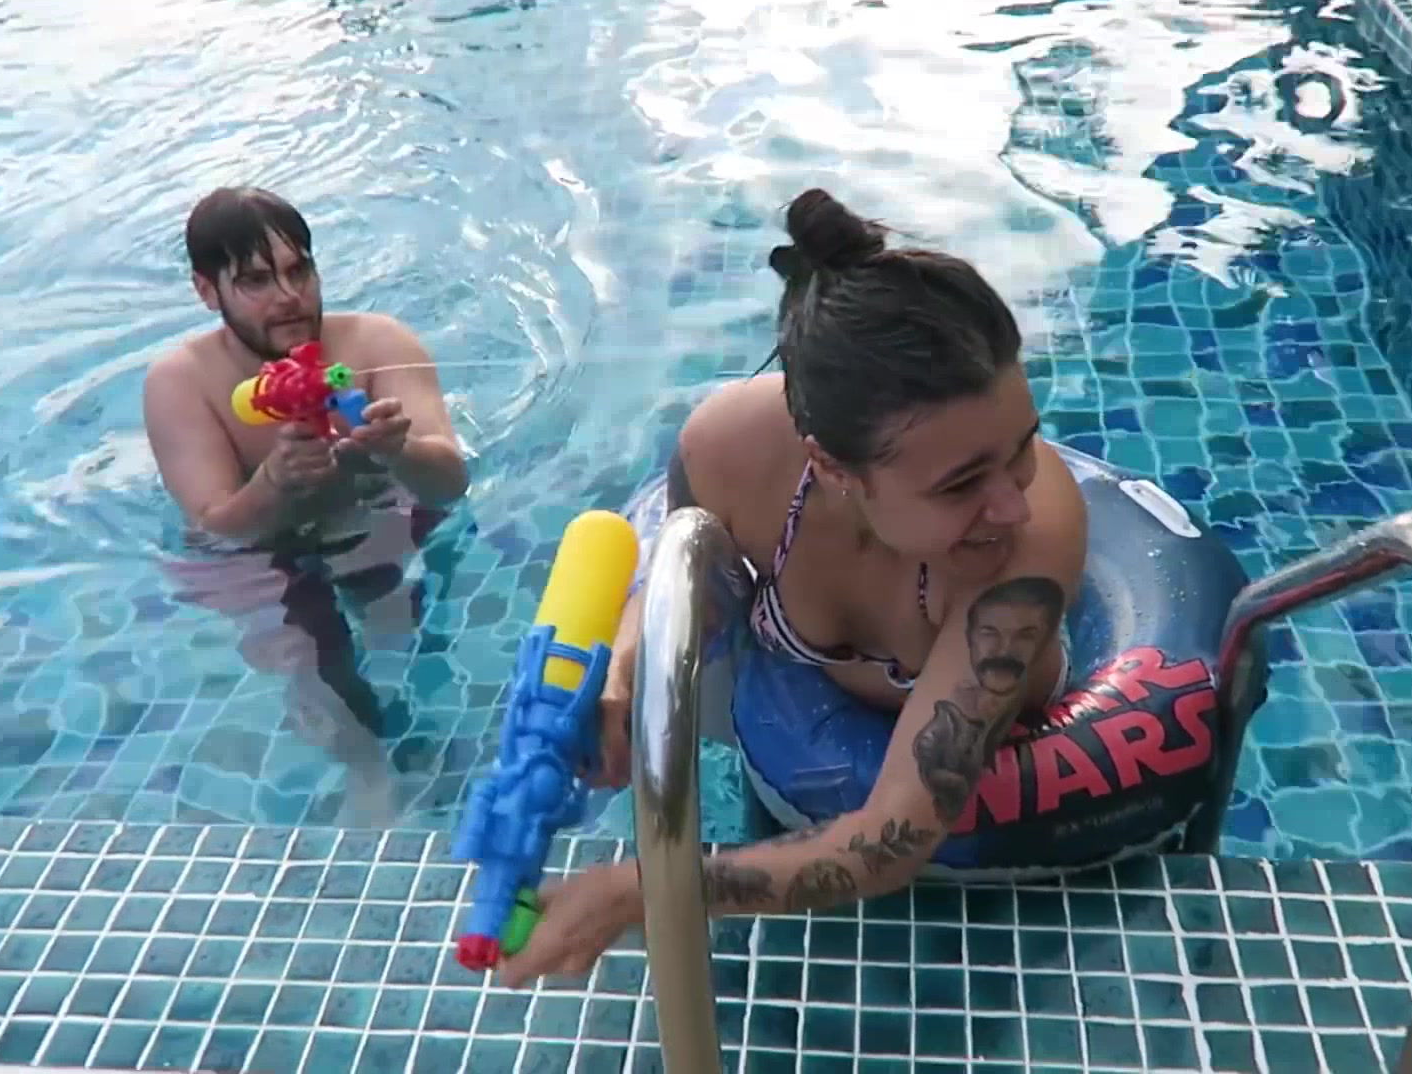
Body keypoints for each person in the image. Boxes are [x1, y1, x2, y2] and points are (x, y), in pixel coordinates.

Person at [496, 187, 1088, 987]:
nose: (1014, 503)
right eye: (960, 484)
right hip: (793, 708)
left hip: (989, 794)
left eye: (1021, 447)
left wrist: (641, 890)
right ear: (833, 468)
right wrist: (625, 675)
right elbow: (696, 582)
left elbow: (895, 837)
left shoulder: (1030, 545)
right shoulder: (731, 449)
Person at [143, 187, 471, 823]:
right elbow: (214, 528)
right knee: (312, 661)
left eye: (300, 271)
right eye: (256, 281)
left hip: (376, 516)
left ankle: (431, 748)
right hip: (267, 550)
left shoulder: (377, 345)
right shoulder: (182, 383)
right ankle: (366, 771)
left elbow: (450, 482)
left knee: (405, 630)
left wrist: (399, 451)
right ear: (207, 291)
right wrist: (275, 482)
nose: (288, 295)